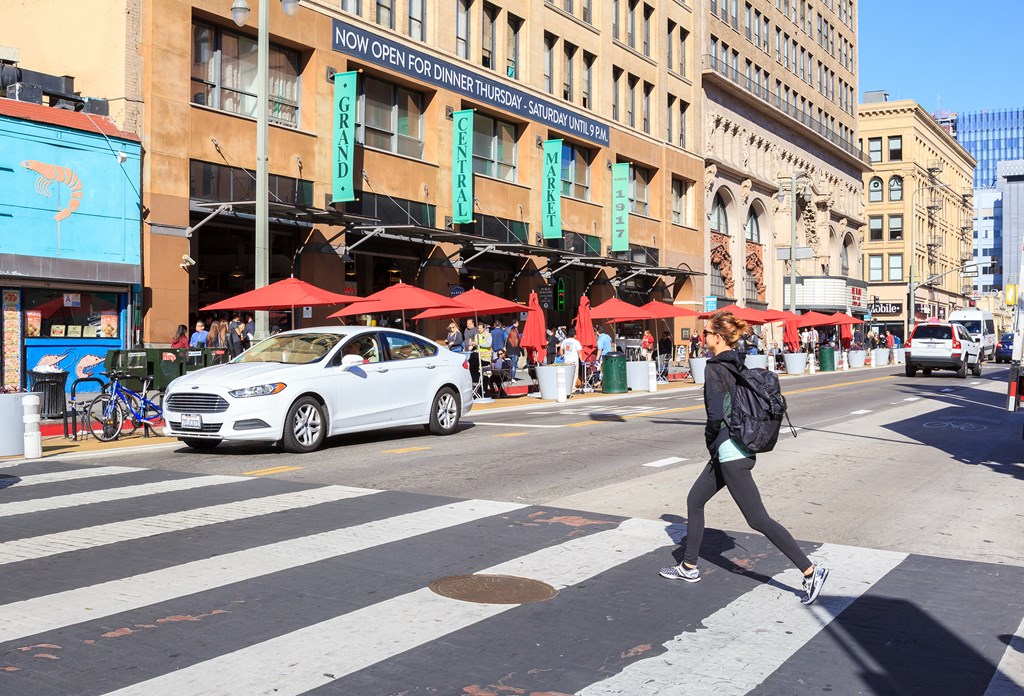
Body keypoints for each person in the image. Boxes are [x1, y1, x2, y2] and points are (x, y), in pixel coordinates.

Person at [659, 310, 829, 606]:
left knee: (758, 519)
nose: (703, 338)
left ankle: (811, 570)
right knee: (695, 500)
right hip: (736, 448)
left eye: (706, 333)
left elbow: (715, 415)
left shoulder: (714, 368)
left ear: (717, 337)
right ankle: (688, 567)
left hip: (730, 453)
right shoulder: (737, 362)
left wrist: (712, 439)